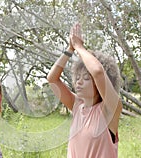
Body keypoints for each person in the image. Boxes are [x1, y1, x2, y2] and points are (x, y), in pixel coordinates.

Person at [47, 23, 123, 158]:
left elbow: (98, 72)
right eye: (78, 77)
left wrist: (79, 47)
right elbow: (52, 79)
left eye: (87, 78)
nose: (79, 82)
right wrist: (69, 50)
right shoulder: (77, 106)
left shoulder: (110, 109)